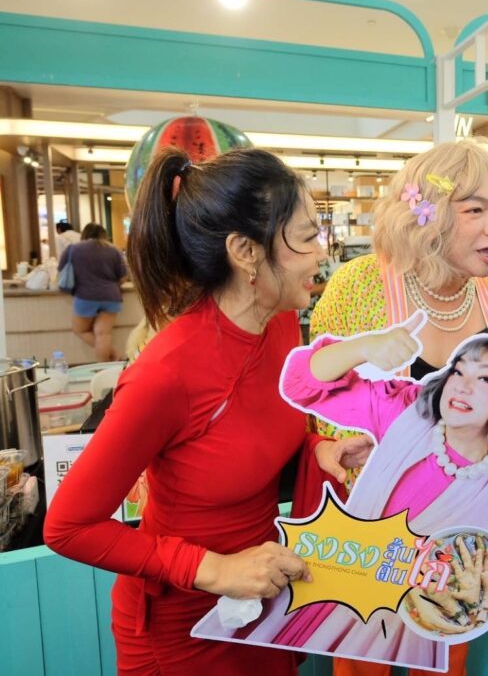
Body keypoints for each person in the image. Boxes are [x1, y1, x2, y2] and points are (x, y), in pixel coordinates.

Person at [43, 147, 372, 674]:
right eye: (307, 237)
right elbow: (67, 526)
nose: (321, 255)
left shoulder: (280, 324)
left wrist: (318, 450)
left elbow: (249, 436)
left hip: (263, 602)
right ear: (245, 251)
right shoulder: (166, 372)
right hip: (182, 628)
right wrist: (215, 569)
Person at [290, 139, 488, 676]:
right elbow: (318, 399)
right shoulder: (359, 287)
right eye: (475, 210)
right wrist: (334, 444)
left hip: (461, 536)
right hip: (373, 531)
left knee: (445, 663)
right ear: (429, 215)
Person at [206, 329, 488, 669]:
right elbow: (302, 382)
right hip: (355, 603)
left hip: (435, 623)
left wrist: (477, 583)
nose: (462, 385)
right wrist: (363, 348)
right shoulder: (403, 411)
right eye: (458, 371)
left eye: (485, 378)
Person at [57, 222, 128, 362]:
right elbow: (123, 277)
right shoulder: (113, 250)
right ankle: (110, 363)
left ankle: (113, 357)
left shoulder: (73, 249)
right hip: (111, 297)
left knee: (80, 330)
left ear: (84, 234)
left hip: (85, 296)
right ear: (104, 235)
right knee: (103, 335)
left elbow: (61, 270)